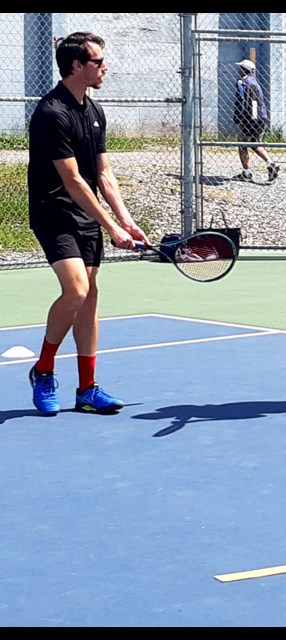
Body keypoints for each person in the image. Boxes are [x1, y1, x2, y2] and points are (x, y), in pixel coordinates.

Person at [27, 31, 150, 416]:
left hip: (85, 215)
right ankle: (43, 370)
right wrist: (111, 228)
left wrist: (127, 222)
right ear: (77, 66)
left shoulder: (94, 112)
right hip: (54, 212)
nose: (104, 67)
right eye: (98, 62)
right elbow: (74, 180)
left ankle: (87, 389)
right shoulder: (51, 113)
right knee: (76, 290)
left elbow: (103, 174)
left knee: (90, 297)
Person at [233, 59, 279, 183]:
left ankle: (247, 173)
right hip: (259, 118)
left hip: (251, 119)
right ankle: (271, 164)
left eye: (240, 68)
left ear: (244, 70)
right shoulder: (253, 82)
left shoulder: (246, 83)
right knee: (255, 143)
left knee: (242, 145)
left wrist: (249, 120)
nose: (238, 70)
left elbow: (252, 102)